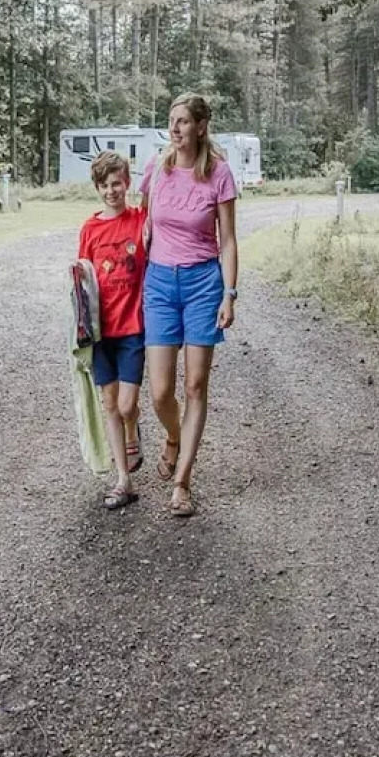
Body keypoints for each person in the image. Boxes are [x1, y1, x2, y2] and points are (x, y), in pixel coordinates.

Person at [139, 93, 239, 519]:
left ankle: (182, 482)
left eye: (183, 122)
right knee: (160, 391)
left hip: (203, 284)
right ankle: (175, 436)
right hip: (160, 283)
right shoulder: (156, 171)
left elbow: (229, 240)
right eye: (171, 121)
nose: (175, 129)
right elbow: (141, 223)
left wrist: (229, 293)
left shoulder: (218, 174)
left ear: (201, 126)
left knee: (195, 386)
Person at [76, 151, 147, 509]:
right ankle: (123, 479)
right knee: (110, 404)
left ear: (127, 183)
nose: (111, 191)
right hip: (102, 332)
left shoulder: (140, 220)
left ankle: (135, 431)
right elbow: (83, 280)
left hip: (133, 326)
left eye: (116, 183)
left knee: (127, 403)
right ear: (97, 188)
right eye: (104, 185)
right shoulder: (90, 228)